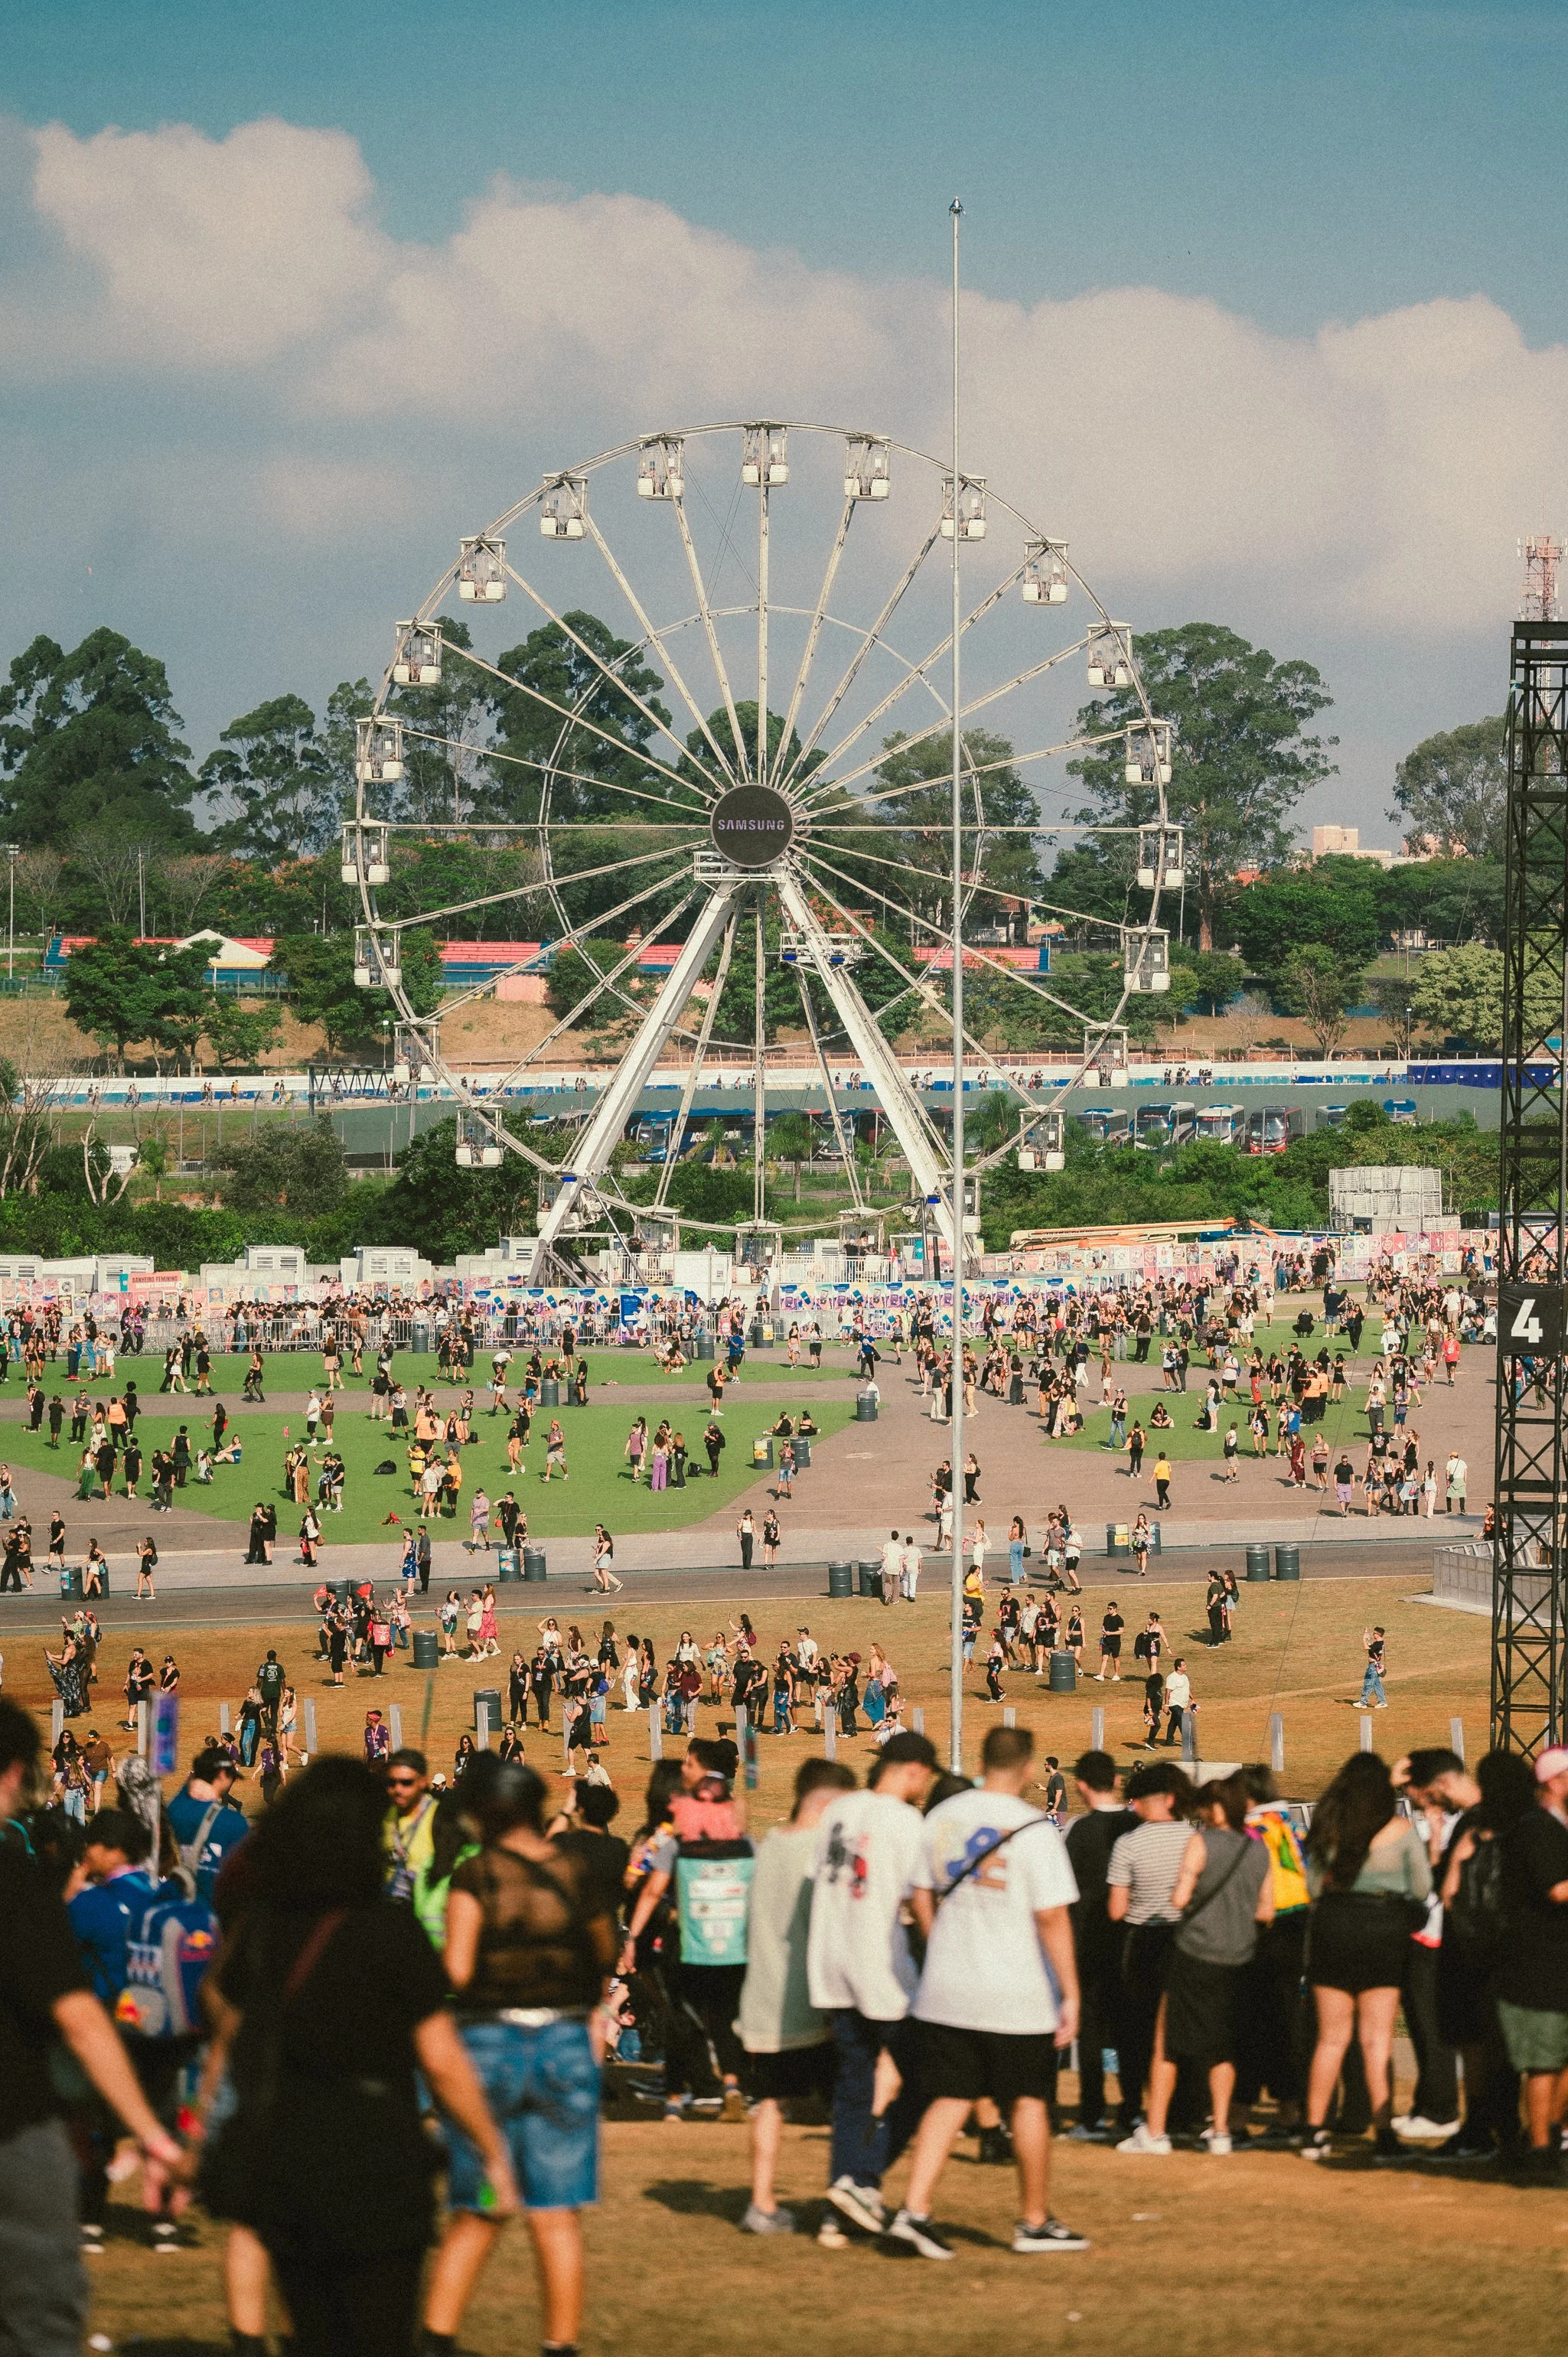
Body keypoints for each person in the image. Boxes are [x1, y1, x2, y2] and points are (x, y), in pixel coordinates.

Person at [190, 1758, 518, 2357]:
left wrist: (203, 2119)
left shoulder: (263, 1926)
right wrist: (492, 2150)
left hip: (284, 2153)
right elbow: (441, 2059)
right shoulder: (390, 1930)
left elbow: (221, 2005)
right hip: (375, 2157)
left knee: (312, 2332)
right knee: (379, 2333)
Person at [0, 1700, 185, 2357]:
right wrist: (154, 2136)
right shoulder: (19, 1885)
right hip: (19, 2117)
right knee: (38, 2316)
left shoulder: (81, 1899)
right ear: (14, 1773)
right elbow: (75, 2014)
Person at [422, 1756, 617, 2355]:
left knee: (480, 2208)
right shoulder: (576, 1870)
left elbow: (455, 1967)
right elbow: (604, 1951)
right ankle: (559, 2345)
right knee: (556, 2214)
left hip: (487, 2044)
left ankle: (436, 2340)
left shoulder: (476, 1874)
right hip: (562, 2040)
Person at [891, 1726, 1087, 2257]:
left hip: (947, 1986)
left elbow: (920, 1892)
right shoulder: (1032, 1828)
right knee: (1027, 2102)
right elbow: (1050, 1917)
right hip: (1014, 1990)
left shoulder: (942, 1816)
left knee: (949, 2097)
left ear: (982, 1760)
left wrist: (939, 1943)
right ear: (1027, 1769)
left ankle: (913, 2208)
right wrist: (1070, 1991)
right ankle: (1033, 2220)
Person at [805, 1730, 937, 2236]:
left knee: (853, 2089)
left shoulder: (838, 1810)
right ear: (912, 1769)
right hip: (881, 1967)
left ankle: (837, 2214)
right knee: (925, 2080)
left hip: (831, 1963)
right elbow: (918, 1898)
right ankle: (861, 2180)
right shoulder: (906, 1821)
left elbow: (819, 1876)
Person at [1117, 1772, 1274, 2156]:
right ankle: (1220, 2130)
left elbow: (1180, 1897)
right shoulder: (1257, 1848)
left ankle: (1155, 2131)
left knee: (1167, 2044)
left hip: (1194, 1953)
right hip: (1238, 1955)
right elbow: (1266, 1909)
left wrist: (1186, 1896)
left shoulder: (1200, 1842)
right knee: (1222, 2046)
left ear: (1212, 1809)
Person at [736, 1756, 857, 2234]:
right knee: (846, 2107)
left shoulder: (767, 1847)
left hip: (765, 1999)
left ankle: (761, 2203)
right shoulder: (824, 1853)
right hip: (818, 1999)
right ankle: (843, 2203)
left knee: (771, 2102)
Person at [1300, 1750, 1433, 2160]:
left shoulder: (1327, 1828)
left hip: (1334, 1927)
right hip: (1384, 1931)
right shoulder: (1401, 1830)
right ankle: (1384, 2134)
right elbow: (1424, 1889)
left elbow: (1312, 1888)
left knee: (1330, 2039)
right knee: (1377, 2040)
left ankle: (1313, 2130)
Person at [620, 1738, 755, 2121]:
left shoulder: (674, 1839)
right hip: (731, 1940)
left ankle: (676, 2098)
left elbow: (644, 1886)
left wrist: (631, 1937)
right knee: (726, 2017)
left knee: (681, 2018)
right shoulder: (744, 1843)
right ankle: (732, 2084)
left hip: (688, 1940)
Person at [1107, 1761, 1197, 2134]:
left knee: (1139, 2030)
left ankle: (1138, 2105)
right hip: (1187, 1941)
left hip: (1143, 1941)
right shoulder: (1195, 1839)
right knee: (1183, 2029)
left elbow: (1117, 1909)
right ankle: (1185, 2110)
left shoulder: (1128, 1843)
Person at [1491, 1742, 1568, 2180]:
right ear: (1553, 1783)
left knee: (1560, 2056)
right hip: (1538, 1961)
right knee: (1543, 2058)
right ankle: (1538, 2148)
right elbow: (1556, 1889)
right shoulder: (1536, 1829)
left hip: (1557, 1960)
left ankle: (1550, 2133)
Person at [1064, 1752, 1136, 2140]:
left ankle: (1090, 2114)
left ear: (1081, 1785)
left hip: (1088, 1942)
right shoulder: (1134, 1824)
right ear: (1118, 1781)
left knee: (1089, 2033)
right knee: (1130, 2031)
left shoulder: (1080, 1832)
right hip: (1130, 1939)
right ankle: (1133, 2108)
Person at [165, 1748, 251, 1902]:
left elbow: (182, 1795)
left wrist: (196, 1778)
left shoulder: (177, 1810)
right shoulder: (234, 1822)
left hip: (188, 1904)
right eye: (231, 1776)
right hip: (219, 1909)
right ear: (222, 1774)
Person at [1360, 1625, 1388, 1708]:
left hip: (1373, 1666)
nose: (1373, 1634)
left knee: (1368, 1684)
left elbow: (1366, 1647)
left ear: (1378, 1634)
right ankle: (1382, 1702)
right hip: (1376, 1665)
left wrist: (1363, 1639)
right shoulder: (1379, 1643)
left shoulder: (1378, 1643)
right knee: (1377, 1684)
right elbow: (1370, 1646)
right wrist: (1366, 1636)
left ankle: (1363, 1702)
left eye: (1374, 1633)